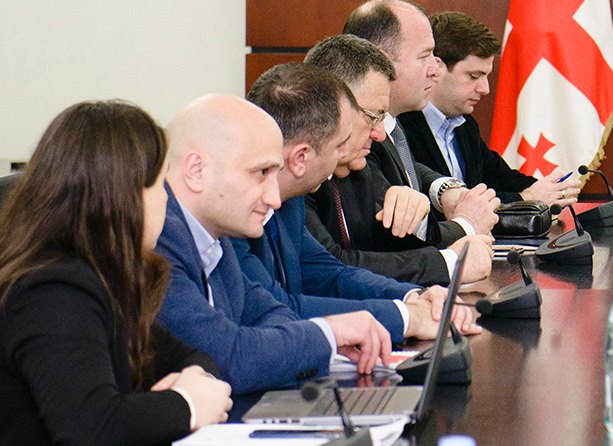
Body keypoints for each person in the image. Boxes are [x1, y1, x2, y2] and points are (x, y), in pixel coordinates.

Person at [0, 100, 231, 445]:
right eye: (160, 185)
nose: (166, 200)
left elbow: (191, 357)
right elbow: (91, 428)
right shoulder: (53, 290)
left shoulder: (100, 277)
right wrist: (187, 405)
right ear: (126, 195)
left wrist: (194, 383)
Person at [155, 94, 392, 394]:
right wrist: (329, 334)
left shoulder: (215, 235)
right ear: (196, 171)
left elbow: (273, 314)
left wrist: (286, 342)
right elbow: (229, 360)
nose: (274, 199)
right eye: (261, 173)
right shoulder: (158, 240)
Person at [236, 62, 479, 344]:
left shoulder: (290, 201)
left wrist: (413, 296)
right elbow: (276, 309)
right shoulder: (233, 213)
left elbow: (329, 274)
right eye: (338, 146)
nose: (342, 156)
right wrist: (408, 318)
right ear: (301, 158)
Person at [305, 34, 495, 285]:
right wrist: (451, 260)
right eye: (373, 117)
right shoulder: (296, 178)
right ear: (332, 109)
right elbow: (332, 269)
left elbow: (384, 248)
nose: (380, 134)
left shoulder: (356, 166)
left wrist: (416, 208)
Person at [345, 0, 537, 222]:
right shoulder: (357, 135)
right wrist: (467, 226)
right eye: (424, 56)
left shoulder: (391, 124)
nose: (435, 70)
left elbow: (408, 170)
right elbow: (398, 233)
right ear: (382, 60)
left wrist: (442, 187)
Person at [399, 11, 581, 207]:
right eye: (474, 76)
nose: (485, 89)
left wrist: (551, 189)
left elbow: (502, 178)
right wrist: (525, 198)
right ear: (437, 67)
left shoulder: (464, 124)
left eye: (486, 76)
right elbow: (440, 204)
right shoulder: (400, 125)